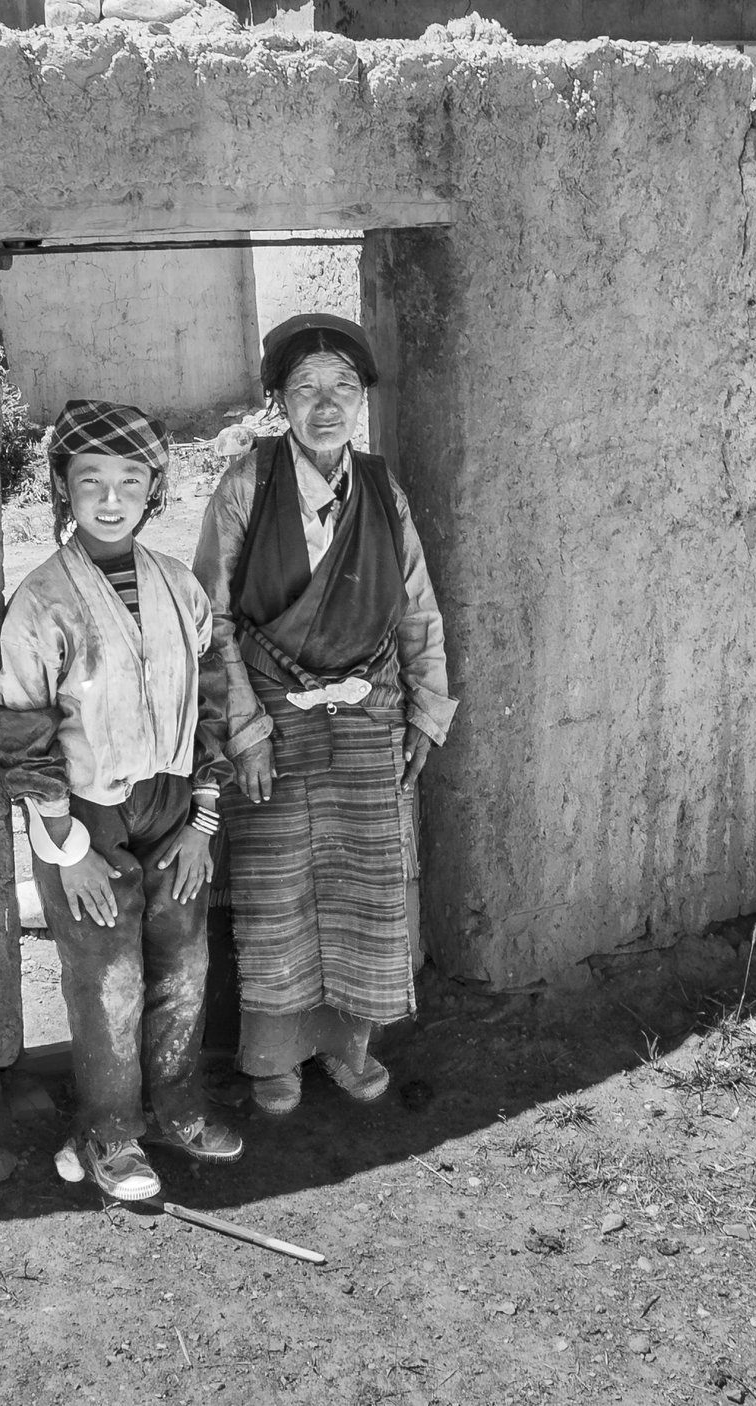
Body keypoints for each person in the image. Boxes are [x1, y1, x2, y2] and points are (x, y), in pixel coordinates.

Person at [194, 314, 457, 1116]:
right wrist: (243, 729)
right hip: (274, 717)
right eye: (305, 389)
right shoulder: (246, 486)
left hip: (368, 712)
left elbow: (417, 608)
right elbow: (210, 617)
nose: (326, 404)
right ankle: (274, 1056)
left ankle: (348, 1049)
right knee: (276, 889)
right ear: (278, 401)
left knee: (365, 887)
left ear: (362, 400)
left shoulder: (381, 488)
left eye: (342, 387)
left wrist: (425, 711)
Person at [0, 399, 242, 1201]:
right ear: (63, 489)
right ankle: (110, 1130)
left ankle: (176, 1103)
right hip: (85, 813)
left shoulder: (178, 589)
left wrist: (203, 819)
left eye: (129, 480)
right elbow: (22, 732)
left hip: (173, 802)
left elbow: (211, 706)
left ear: (153, 489)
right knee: (108, 973)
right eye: (89, 479)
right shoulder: (42, 603)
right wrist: (66, 849)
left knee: (184, 956)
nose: (109, 497)